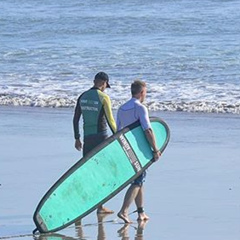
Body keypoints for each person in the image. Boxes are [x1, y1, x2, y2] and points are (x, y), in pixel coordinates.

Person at [117, 80, 161, 223]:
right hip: (138, 150)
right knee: (138, 180)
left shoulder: (121, 108)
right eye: (145, 92)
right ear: (142, 92)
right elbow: (148, 130)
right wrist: (155, 149)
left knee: (139, 179)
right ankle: (124, 211)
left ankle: (141, 212)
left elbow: (118, 132)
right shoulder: (140, 108)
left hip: (125, 148)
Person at [73, 71, 117, 214]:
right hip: (101, 137)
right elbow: (110, 121)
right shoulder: (104, 97)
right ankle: (100, 206)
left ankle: (79, 205)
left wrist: (77, 138)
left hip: (87, 138)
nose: (105, 88)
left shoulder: (83, 96)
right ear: (104, 83)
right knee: (102, 172)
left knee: (87, 171)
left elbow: (75, 119)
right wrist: (119, 136)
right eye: (106, 85)